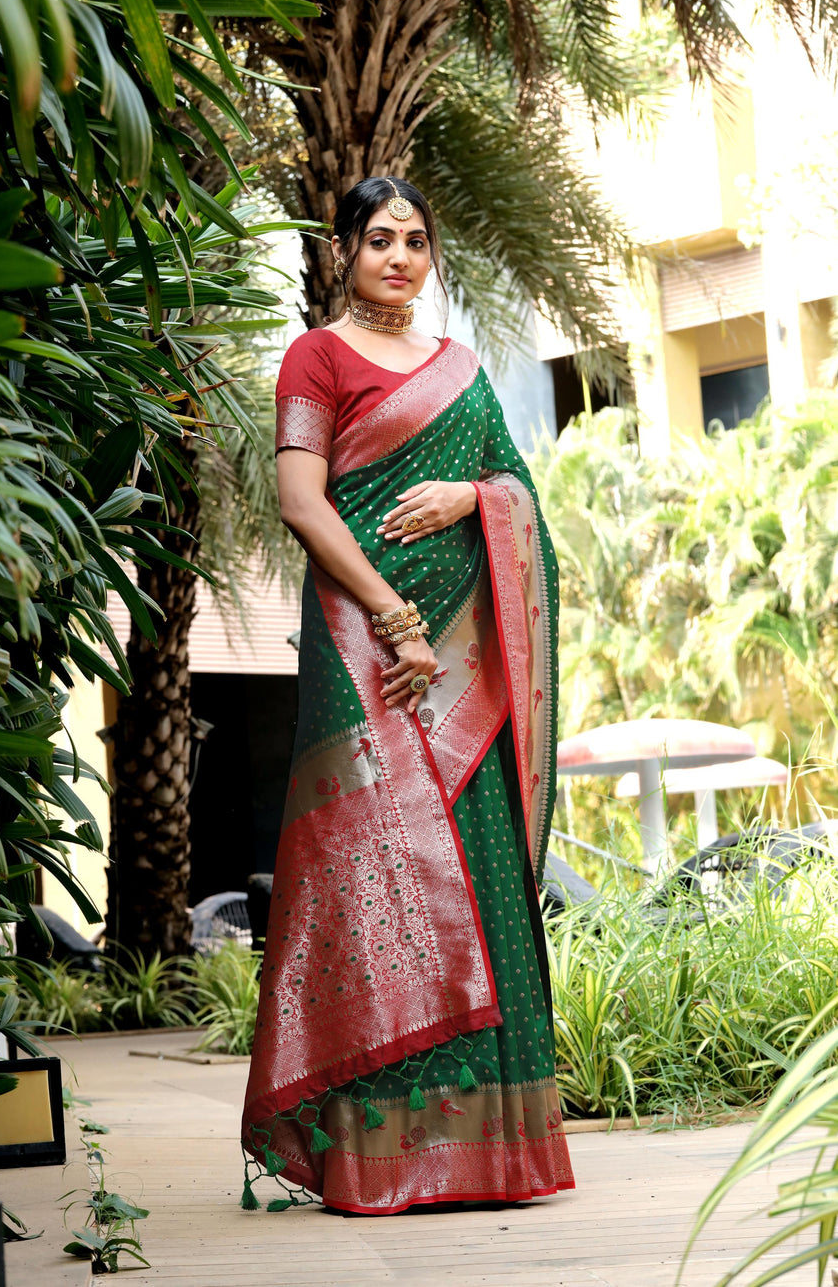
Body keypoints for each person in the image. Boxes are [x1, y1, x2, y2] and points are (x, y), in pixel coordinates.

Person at [240, 176, 574, 1215]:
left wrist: (471, 496)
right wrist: (392, 616)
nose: (398, 257)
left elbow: (521, 497)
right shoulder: (318, 357)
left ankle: (490, 1156)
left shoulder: (465, 372)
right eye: (379, 238)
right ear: (345, 248)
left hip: (467, 666)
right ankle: (375, 1155)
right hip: (364, 651)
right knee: (364, 882)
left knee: (472, 877)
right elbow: (301, 500)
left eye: (417, 241)